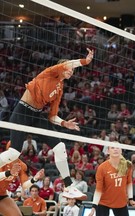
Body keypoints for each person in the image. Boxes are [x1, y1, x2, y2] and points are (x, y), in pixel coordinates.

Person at [0, 48, 94, 199]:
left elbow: (52, 116)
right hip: (22, 112)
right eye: (69, 68)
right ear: (62, 67)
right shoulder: (49, 73)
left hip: (36, 116)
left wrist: (64, 123)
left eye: (73, 70)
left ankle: (69, 186)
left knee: (60, 146)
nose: (71, 71)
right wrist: (85, 61)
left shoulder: (60, 88)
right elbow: (70, 64)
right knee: (14, 152)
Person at [88, 146, 135, 216]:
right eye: (113, 148)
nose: (115, 149)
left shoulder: (127, 166)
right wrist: (94, 207)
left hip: (120, 201)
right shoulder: (102, 168)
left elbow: (129, 182)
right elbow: (98, 189)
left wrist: (131, 199)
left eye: (118, 147)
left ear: (121, 151)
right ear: (108, 151)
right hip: (103, 202)